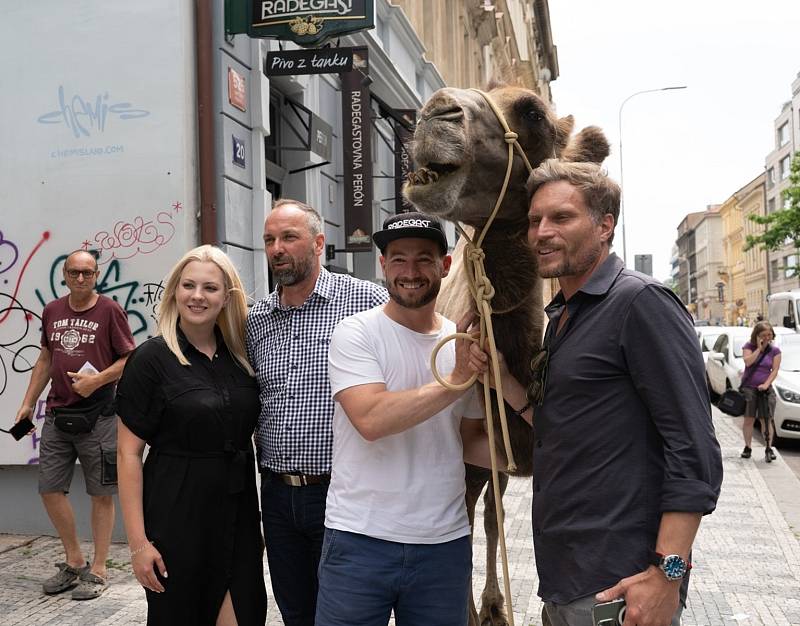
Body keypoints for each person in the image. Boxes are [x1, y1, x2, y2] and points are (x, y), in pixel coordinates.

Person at [471, 160, 723, 626]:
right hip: (567, 576)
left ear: (605, 225)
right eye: (534, 220)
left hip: (621, 586)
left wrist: (667, 576)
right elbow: (559, 426)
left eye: (561, 218)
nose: (541, 232)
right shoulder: (565, 315)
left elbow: (695, 451)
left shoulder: (640, 303)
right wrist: (501, 378)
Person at [315, 211, 492, 626]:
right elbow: (371, 419)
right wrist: (456, 380)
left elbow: (468, 440)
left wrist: (538, 455)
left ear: (446, 266)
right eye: (398, 259)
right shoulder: (355, 333)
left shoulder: (459, 344)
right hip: (360, 540)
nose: (410, 272)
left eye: (424, 259)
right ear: (383, 265)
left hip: (443, 545)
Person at [246, 198, 388, 626]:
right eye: (270, 240)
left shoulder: (365, 301)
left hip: (342, 492)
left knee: (347, 612)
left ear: (319, 243)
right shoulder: (256, 320)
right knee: (295, 610)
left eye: (289, 237)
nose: (277, 249)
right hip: (275, 493)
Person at [116, 245, 267, 625]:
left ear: (226, 298)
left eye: (210, 288)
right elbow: (128, 454)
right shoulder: (151, 359)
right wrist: (138, 544)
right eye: (188, 285)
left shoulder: (240, 356)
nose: (197, 296)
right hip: (178, 514)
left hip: (238, 513)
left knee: (245, 612)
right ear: (174, 292)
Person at [12, 249, 135, 600]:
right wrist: (27, 402)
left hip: (98, 417)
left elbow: (130, 357)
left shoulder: (110, 310)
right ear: (64, 275)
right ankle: (74, 560)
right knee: (49, 488)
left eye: (88, 273)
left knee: (100, 494)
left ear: (97, 275)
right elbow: (46, 356)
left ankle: (98, 569)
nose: (81, 279)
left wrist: (97, 382)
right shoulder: (52, 310)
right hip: (57, 415)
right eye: (74, 273)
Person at [740, 321, 781, 462]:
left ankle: (769, 447)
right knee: (749, 419)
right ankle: (747, 447)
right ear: (757, 335)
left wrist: (766, 384)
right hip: (749, 389)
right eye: (764, 335)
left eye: (769, 334)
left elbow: (774, 370)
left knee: (766, 419)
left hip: (766, 389)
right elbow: (748, 362)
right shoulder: (748, 346)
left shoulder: (775, 351)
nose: (767, 337)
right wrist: (758, 348)